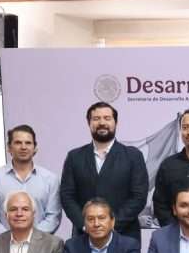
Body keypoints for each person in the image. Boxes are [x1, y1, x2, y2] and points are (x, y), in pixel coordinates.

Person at [60, 101, 149, 241]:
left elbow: (139, 196)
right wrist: (85, 225)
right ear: (89, 123)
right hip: (84, 237)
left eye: (107, 118)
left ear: (115, 122)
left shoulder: (133, 156)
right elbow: (67, 196)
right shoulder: (74, 157)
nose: (102, 123)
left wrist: (112, 225)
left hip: (123, 236)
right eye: (96, 118)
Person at [0, 125, 61, 236]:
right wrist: (9, 239)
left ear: (35, 148)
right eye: (18, 143)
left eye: (28, 143)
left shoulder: (50, 179)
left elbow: (53, 216)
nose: (23, 147)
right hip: (4, 243)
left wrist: (32, 238)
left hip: (40, 243)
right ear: (9, 147)